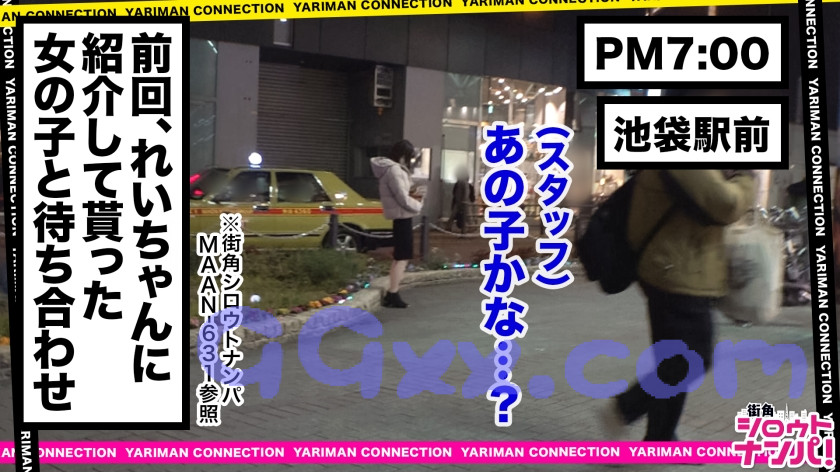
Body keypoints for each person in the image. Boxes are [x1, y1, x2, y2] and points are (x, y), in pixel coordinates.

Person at [599, 169, 755, 441]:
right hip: (677, 275)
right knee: (693, 360)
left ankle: (660, 437)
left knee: (673, 361)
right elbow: (726, 204)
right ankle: (624, 408)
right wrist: (746, 177)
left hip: (676, 269)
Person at [370, 140, 425, 308]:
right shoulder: (394, 170)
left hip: (400, 216)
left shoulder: (390, 168)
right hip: (403, 216)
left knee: (400, 257)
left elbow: (400, 193)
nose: (410, 160)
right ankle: (393, 293)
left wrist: (412, 193)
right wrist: (418, 204)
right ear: (403, 155)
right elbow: (402, 197)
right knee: (402, 257)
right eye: (409, 156)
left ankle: (393, 293)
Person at [450, 166, 475, 234]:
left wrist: (460, 200)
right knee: (468, 215)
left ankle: (449, 226)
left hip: (460, 201)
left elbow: (455, 193)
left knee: (454, 215)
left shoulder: (459, 183)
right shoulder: (466, 184)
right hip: (464, 201)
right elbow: (467, 194)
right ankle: (471, 227)